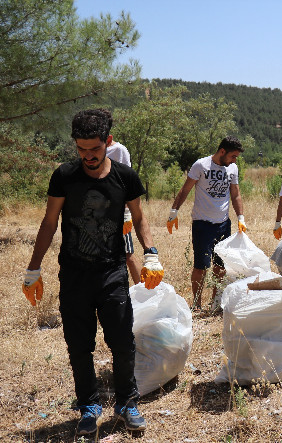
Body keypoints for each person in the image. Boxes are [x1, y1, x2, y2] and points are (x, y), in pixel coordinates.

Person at [21, 109, 164, 435]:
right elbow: (49, 222)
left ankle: (127, 404)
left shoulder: (125, 177)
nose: (88, 156)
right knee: (79, 346)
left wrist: (151, 253)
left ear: (108, 142)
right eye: (81, 149)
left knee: (123, 343)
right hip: (73, 275)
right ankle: (88, 406)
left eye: (94, 150)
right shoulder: (64, 176)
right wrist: (33, 268)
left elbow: (139, 218)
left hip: (112, 271)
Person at [167, 136, 246, 311]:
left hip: (224, 224)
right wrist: (174, 211)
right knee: (201, 266)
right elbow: (185, 190)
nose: (234, 160)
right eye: (233, 156)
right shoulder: (201, 165)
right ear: (222, 151)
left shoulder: (232, 168)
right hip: (202, 224)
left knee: (221, 265)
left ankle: (216, 302)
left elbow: (236, 194)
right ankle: (196, 304)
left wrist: (241, 217)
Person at [100, 111, 141, 285]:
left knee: (127, 253)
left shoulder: (119, 150)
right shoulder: (89, 149)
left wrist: (126, 213)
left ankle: (144, 292)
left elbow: (126, 182)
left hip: (117, 212)